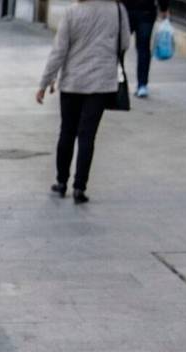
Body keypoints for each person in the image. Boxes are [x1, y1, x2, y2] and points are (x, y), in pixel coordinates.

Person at [37, 0, 130, 204]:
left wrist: (45, 82)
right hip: (101, 83)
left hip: (73, 82)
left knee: (67, 132)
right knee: (87, 136)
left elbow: (59, 50)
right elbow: (125, 44)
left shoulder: (72, 11)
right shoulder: (117, 9)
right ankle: (80, 187)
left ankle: (61, 182)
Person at [122, 0, 169, 97]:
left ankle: (118, 81)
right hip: (146, 10)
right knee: (143, 48)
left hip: (125, 10)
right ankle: (142, 85)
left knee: (119, 48)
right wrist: (163, 7)